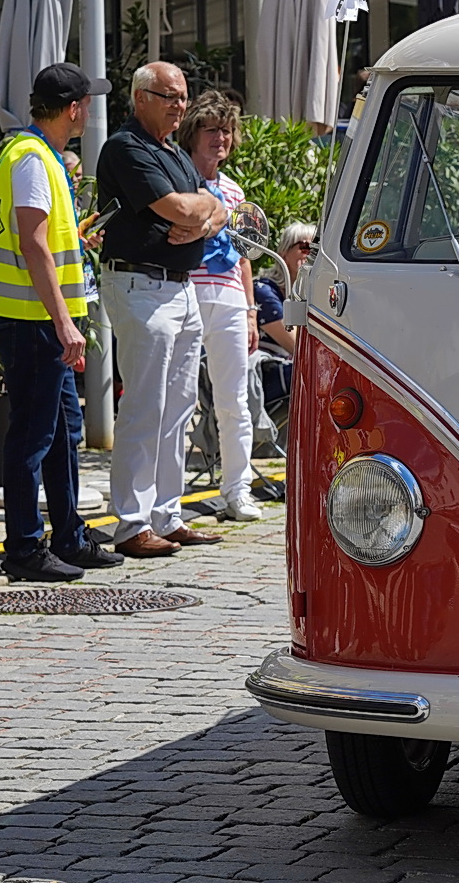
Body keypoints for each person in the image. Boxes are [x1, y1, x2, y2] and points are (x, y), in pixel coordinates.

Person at [0, 64, 121, 583]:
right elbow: (30, 242)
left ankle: (68, 536)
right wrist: (64, 322)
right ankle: (26, 548)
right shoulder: (31, 157)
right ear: (73, 109)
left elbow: (41, 238)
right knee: (33, 432)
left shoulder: (34, 153)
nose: (90, 111)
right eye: (87, 103)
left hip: (35, 316)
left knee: (62, 429)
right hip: (30, 318)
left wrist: (74, 237)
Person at [95, 62, 227, 559]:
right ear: (140, 98)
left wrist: (202, 220)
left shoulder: (173, 151)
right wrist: (197, 215)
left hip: (181, 286)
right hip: (140, 283)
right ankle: (130, 524)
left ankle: (167, 515)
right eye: (168, 96)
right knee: (144, 407)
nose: (179, 106)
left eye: (183, 97)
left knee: (179, 409)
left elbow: (213, 206)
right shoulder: (127, 148)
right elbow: (179, 209)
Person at [177, 92, 262, 522]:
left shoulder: (233, 189)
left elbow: (244, 253)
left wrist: (250, 311)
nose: (220, 138)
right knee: (179, 399)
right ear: (194, 133)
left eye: (226, 130)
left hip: (228, 295)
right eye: (212, 129)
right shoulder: (176, 177)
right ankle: (167, 497)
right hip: (186, 291)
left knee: (234, 399)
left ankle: (237, 490)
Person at [255, 223, 314, 359]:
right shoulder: (263, 290)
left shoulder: (316, 293)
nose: (312, 256)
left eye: (316, 251)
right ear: (284, 255)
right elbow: (297, 347)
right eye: (305, 248)